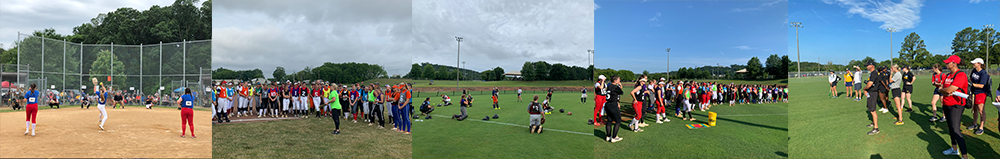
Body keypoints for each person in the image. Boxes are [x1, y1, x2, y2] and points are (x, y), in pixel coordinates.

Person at [939, 55, 969, 158]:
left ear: (954, 63)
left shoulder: (960, 75)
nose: (946, 64)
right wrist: (943, 90)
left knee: (956, 130)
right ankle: (954, 149)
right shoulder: (947, 75)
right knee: (951, 128)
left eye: (948, 63)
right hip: (946, 104)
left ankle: (965, 156)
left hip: (956, 105)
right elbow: (943, 88)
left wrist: (943, 90)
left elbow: (947, 90)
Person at [968, 58, 989, 135]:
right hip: (973, 92)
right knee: (974, 109)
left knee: (981, 110)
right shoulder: (974, 71)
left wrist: (971, 84)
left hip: (981, 93)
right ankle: (974, 124)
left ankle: (981, 128)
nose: (973, 64)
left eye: (974, 63)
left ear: (979, 64)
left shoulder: (983, 73)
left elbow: (981, 85)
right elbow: (971, 79)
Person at [603, 75, 625, 143]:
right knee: (618, 120)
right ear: (615, 81)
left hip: (607, 104)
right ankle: (614, 137)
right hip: (613, 104)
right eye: (618, 79)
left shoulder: (609, 86)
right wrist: (619, 85)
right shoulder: (615, 87)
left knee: (609, 120)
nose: (619, 80)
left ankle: (608, 136)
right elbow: (621, 92)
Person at [863, 61, 881, 135]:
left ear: (872, 65)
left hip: (873, 93)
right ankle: (874, 123)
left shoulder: (874, 73)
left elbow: (870, 84)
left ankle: (876, 128)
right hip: (871, 92)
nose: (866, 66)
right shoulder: (872, 73)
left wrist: (864, 89)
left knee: (873, 110)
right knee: (870, 109)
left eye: (867, 65)